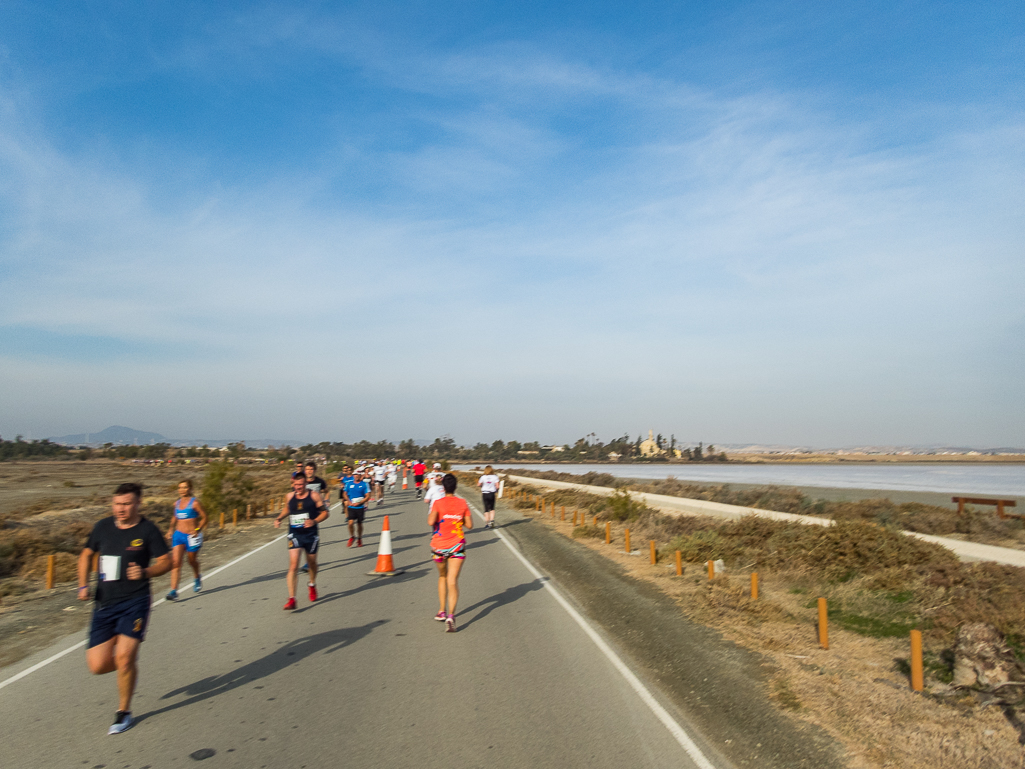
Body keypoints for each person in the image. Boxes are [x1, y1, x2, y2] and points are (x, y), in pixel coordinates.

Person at [77, 482, 171, 734]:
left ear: (138, 503)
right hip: (104, 603)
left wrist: (145, 571)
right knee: (97, 666)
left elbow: (167, 561)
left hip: (135, 601)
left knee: (124, 657)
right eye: (117, 504)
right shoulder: (102, 527)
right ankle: (127, 666)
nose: (121, 509)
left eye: (127, 504)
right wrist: (82, 585)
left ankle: (123, 712)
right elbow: (86, 554)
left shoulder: (148, 530)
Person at [274, 472, 329, 610]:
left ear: (306, 484)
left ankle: (312, 584)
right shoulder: (290, 496)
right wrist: (279, 518)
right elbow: (288, 508)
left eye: (300, 485)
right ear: (293, 484)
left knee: (311, 563)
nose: (298, 487)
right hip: (295, 534)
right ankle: (292, 598)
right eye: (296, 484)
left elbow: (325, 513)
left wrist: (314, 521)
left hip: (311, 534)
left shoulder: (314, 496)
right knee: (293, 565)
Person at [428, 474, 473, 633]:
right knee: (452, 581)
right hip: (457, 546)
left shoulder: (438, 503)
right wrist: (456, 519)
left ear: (443, 487)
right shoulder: (462, 503)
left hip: (439, 546)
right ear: (455, 487)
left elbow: (430, 521)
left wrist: (442, 517)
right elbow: (469, 525)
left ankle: (442, 611)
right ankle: (451, 616)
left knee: (442, 576)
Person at [165, 479, 208, 599]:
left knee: (191, 561)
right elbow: (175, 517)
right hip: (178, 536)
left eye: (184, 487)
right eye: (180, 488)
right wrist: (170, 530)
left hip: (192, 536)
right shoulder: (176, 504)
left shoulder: (195, 503)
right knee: (176, 563)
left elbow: (205, 517)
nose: (182, 490)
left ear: (190, 489)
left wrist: (198, 529)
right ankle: (173, 591)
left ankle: (197, 576)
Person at [343, 469, 371, 547]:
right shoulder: (349, 484)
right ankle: (352, 536)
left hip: (360, 507)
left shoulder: (364, 484)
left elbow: (368, 496)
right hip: (351, 507)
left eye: (358, 474)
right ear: (353, 475)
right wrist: (348, 501)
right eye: (355, 474)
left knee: (359, 524)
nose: (356, 476)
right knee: (350, 523)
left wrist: (360, 502)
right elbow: (344, 493)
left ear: (361, 475)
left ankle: (359, 538)